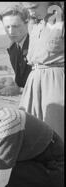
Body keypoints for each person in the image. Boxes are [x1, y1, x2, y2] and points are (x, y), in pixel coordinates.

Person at [19, 2, 64, 141]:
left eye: (34, 7)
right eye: (28, 8)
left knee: (55, 129)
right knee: (29, 128)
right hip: (33, 80)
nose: (31, 12)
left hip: (55, 80)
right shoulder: (34, 24)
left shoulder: (59, 20)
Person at [0, 4, 32, 88]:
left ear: (26, 23)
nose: (11, 32)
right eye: (7, 27)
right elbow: (21, 81)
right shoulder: (12, 48)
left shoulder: (36, 45)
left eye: (15, 26)